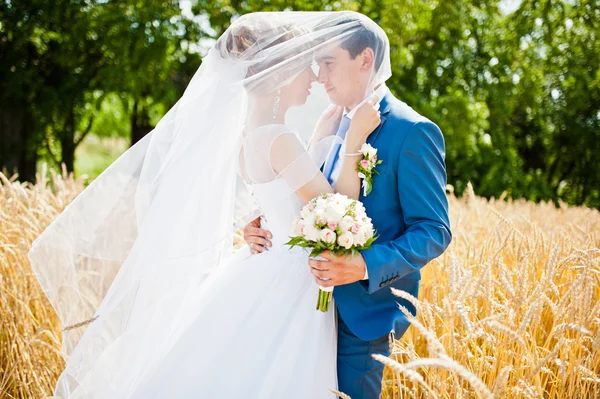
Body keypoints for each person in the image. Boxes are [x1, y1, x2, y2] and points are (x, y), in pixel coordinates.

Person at [28, 11, 392, 398]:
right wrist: (353, 141)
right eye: (305, 67)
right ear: (282, 73)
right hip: (290, 281)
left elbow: (279, 199)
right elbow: (339, 209)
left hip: (262, 266)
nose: (315, 78)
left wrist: (318, 137)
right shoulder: (281, 139)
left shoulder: (250, 135)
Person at [243, 13, 452, 399]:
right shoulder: (327, 123)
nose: (319, 75)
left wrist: (364, 264)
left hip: (360, 316)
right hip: (297, 307)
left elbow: (434, 231)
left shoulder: (412, 131)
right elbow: (305, 202)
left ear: (365, 60)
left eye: (328, 62)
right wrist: (260, 226)